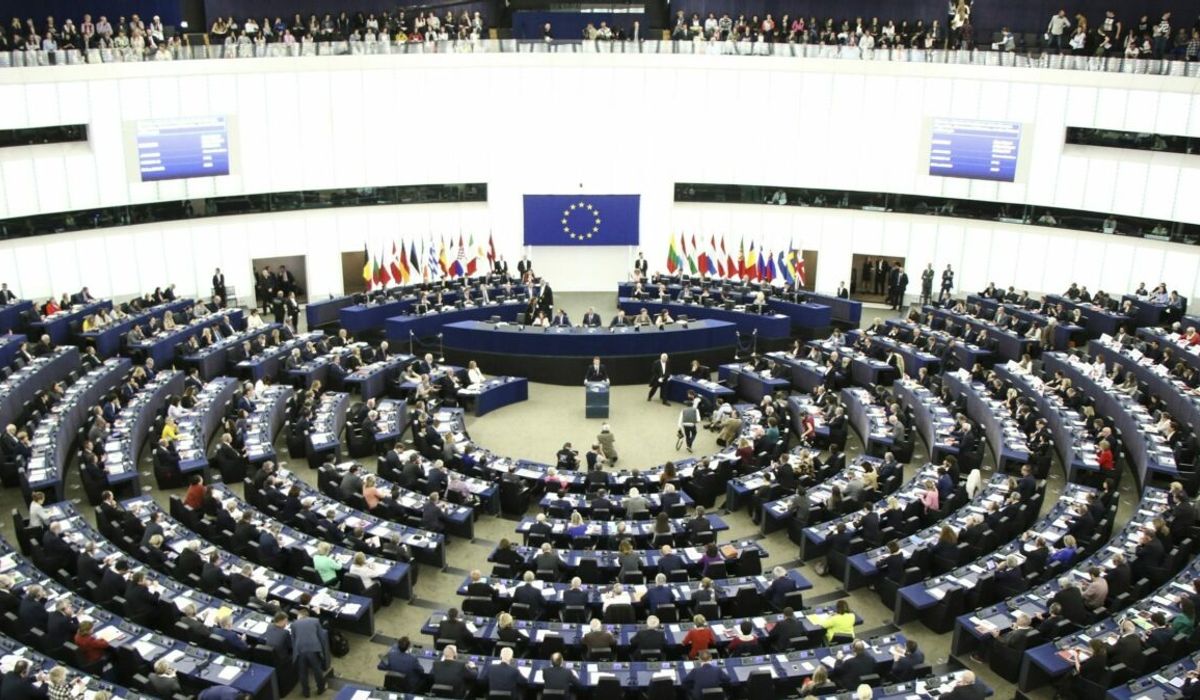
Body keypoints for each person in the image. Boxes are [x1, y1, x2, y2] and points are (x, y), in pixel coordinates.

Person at [292, 608, 330, 696]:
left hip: (300, 650)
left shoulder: (294, 624)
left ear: (300, 616)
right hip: (314, 649)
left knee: (302, 672)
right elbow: (321, 637)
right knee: (317, 669)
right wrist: (322, 651)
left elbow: (293, 640)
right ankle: (321, 689)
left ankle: (306, 692)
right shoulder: (315, 621)